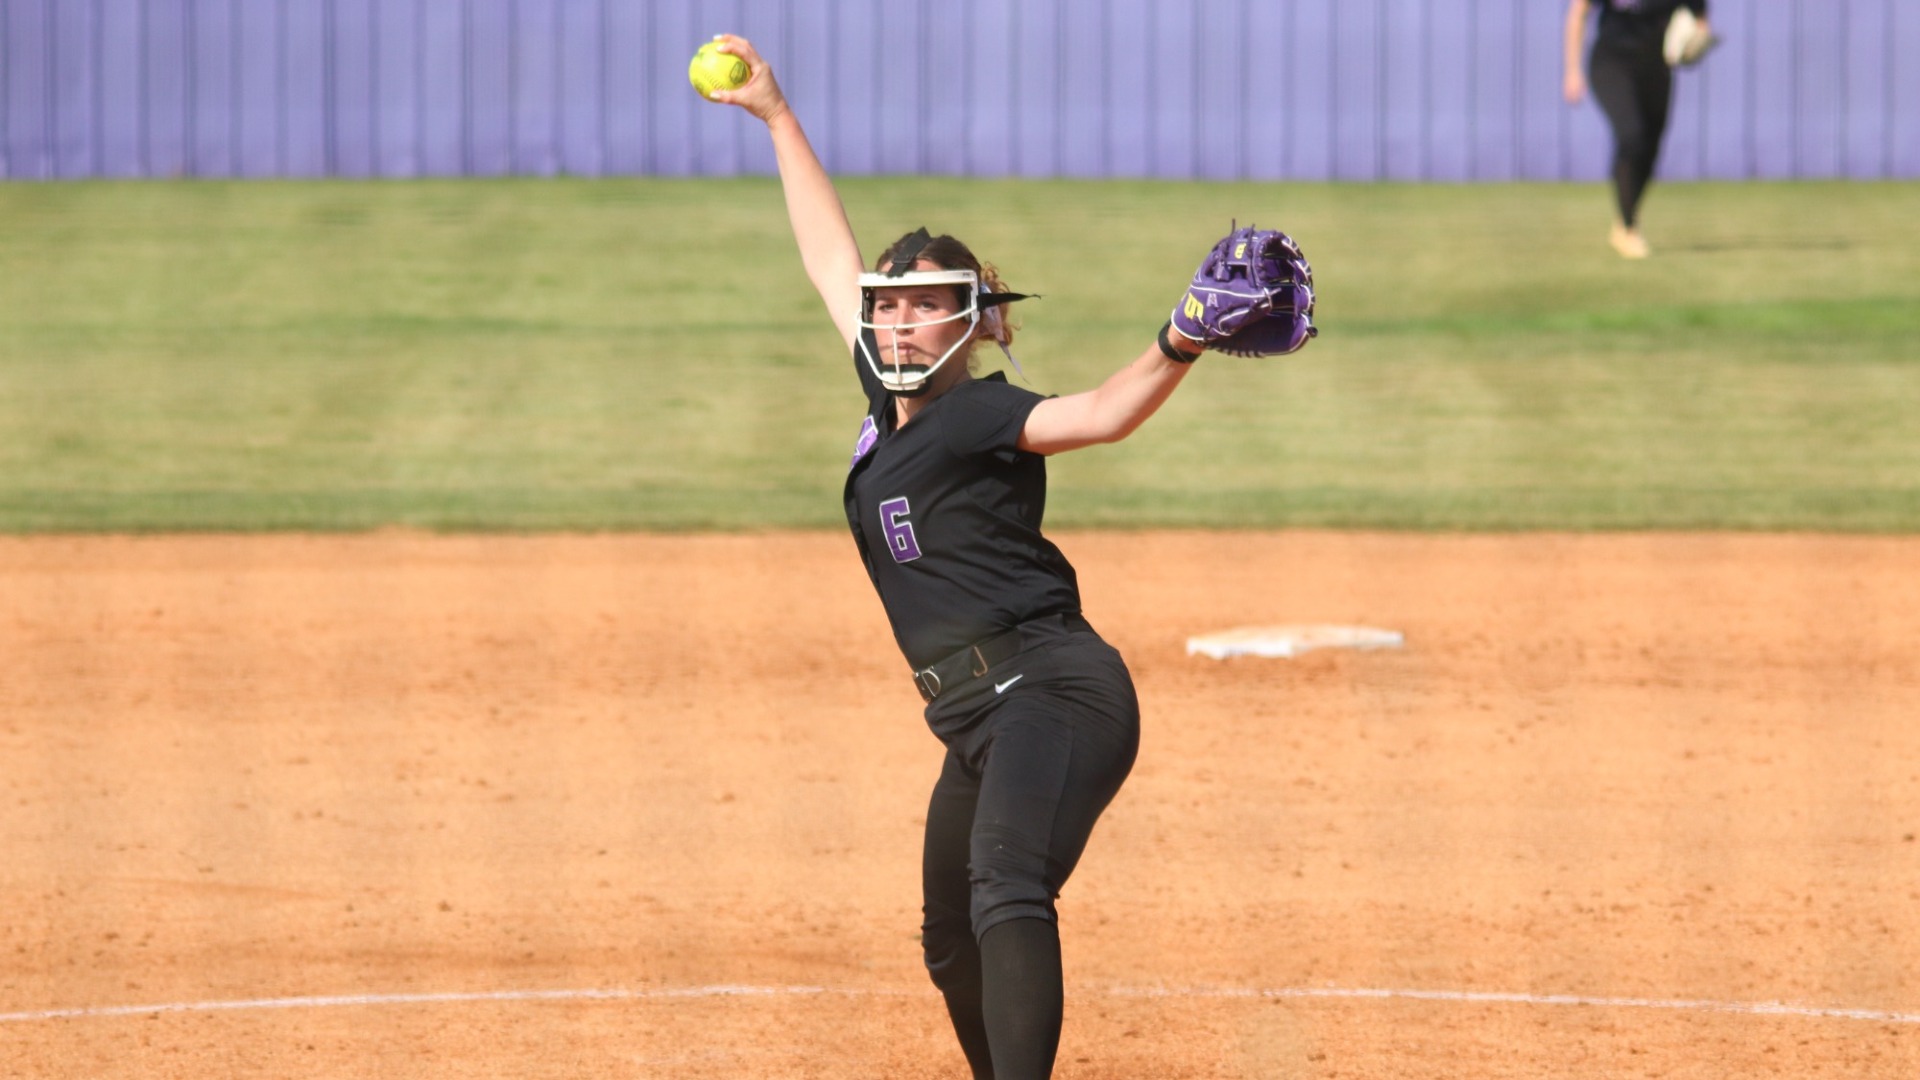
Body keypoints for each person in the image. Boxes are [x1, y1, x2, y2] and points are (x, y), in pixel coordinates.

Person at [700, 33, 1311, 1080]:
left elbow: (1104, 415)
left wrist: (1183, 335)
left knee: (1005, 885)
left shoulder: (980, 411)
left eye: (924, 302)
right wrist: (776, 115)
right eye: (888, 306)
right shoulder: (886, 407)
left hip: (1058, 691)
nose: (897, 318)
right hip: (974, 719)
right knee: (949, 938)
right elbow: (827, 257)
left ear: (972, 321)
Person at [1563, 0, 1712, 259]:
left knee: (1650, 145)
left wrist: (1694, 43)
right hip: (1612, 62)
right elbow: (1578, 12)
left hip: (1657, 67)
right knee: (1631, 134)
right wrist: (1572, 71)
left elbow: (1699, 19)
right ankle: (1629, 228)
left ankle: (1624, 220)